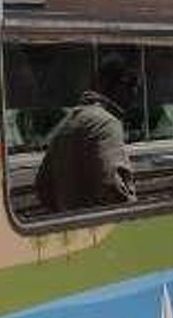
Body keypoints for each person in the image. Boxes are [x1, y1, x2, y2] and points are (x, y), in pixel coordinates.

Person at [35, 56, 136, 213]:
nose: (135, 94)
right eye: (133, 86)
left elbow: (43, 186)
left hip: (72, 226)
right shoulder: (107, 123)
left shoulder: (70, 119)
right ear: (120, 86)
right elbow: (114, 191)